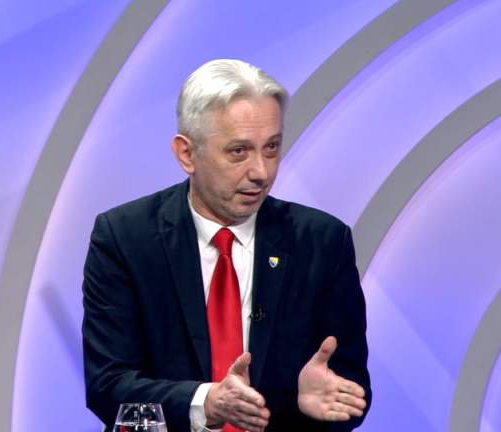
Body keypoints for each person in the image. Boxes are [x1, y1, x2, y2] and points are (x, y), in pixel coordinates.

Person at [82, 59, 371, 432]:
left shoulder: (322, 242)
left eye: (271, 147)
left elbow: (349, 386)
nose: (261, 172)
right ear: (187, 154)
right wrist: (206, 404)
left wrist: (314, 405)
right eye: (239, 151)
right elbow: (109, 385)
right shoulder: (125, 238)